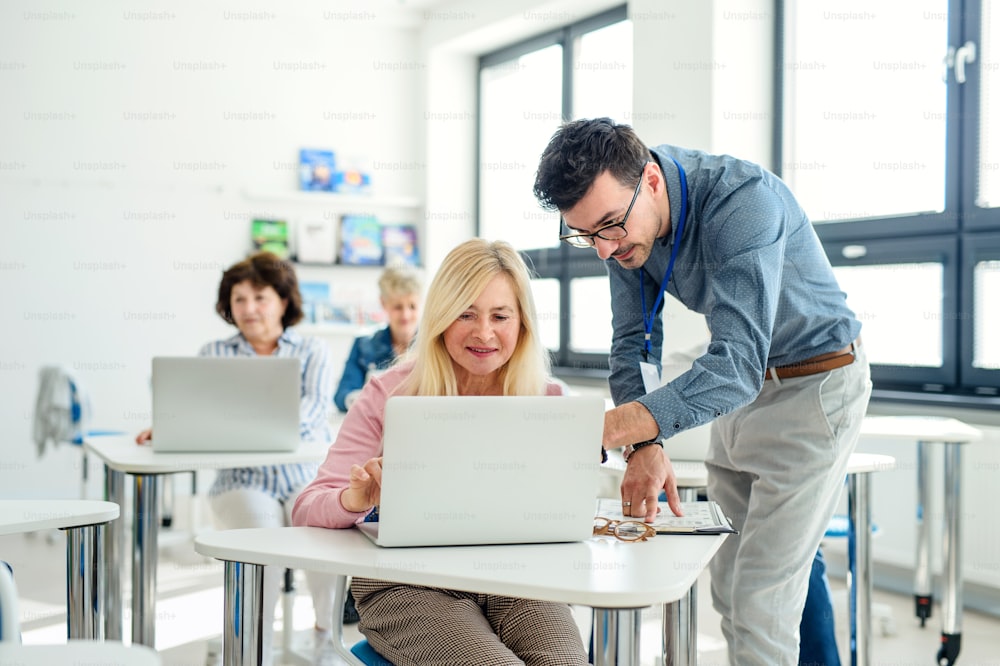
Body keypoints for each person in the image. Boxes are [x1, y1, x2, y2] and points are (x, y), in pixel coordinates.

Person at [533, 118, 871, 666]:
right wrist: (645, 445)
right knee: (729, 585)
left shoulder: (744, 203)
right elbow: (633, 346)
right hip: (738, 392)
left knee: (761, 599)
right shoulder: (623, 237)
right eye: (586, 234)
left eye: (609, 227)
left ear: (652, 180)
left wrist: (610, 430)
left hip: (814, 384)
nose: (602, 249)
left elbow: (736, 363)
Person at [292, 239, 591, 666]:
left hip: (520, 580)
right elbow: (306, 506)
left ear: (522, 323)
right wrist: (353, 499)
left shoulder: (548, 398)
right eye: (465, 313)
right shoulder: (388, 391)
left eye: (500, 316)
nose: (484, 332)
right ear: (440, 318)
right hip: (408, 585)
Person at [136, 251, 338, 666]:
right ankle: (251, 653)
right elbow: (200, 415)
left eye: (260, 297)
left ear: (284, 301)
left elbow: (314, 413)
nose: (248, 308)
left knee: (324, 537)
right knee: (259, 542)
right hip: (242, 481)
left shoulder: (312, 350)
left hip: (305, 477)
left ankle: (325, 643)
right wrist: (173, 425)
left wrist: (245, 427)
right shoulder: (215, 352)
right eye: (239, 298)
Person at [334, 266, 421, 412]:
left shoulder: (434, 346)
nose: (405, 315)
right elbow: (342, 395)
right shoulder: (363, 346)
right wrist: (367, 400)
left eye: (412, 306)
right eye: (398, 307)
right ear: (383, 303)